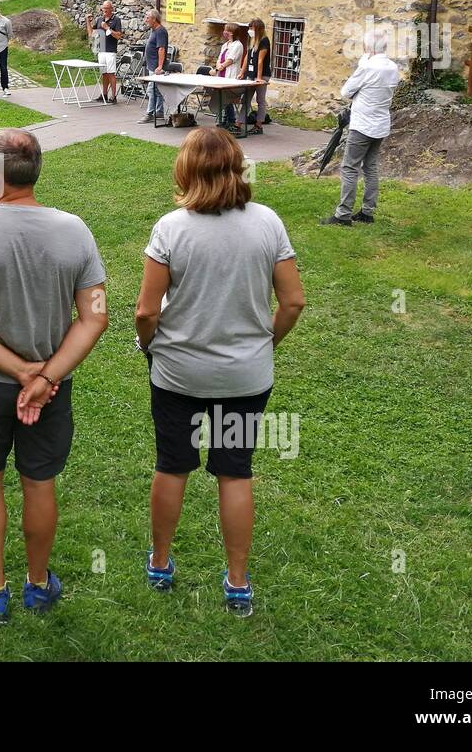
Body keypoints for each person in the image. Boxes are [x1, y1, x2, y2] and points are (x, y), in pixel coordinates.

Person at [134, 127, 305, 617]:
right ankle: (236, 581)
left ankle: (161, 564)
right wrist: (264, 343)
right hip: (246, 377)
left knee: (172, 464)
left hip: (178, 374)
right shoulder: (268, 223)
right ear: (237, 166)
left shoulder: (171, 228)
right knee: (235, 472)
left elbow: (146, 312)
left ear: (186, 169)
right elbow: (293, 301)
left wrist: (151, 349)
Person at [0, 129, 108, 622]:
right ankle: (38, 584)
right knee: (39, 483)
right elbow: (95, 315)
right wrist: (43, 378)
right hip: (49, 391)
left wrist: (17, 371)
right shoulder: (76, 231)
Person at [322, 28, 401, 227]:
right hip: (381, 123)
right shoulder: (392, 67)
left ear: (368, 47)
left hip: (363, 124)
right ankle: (367, 211)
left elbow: (346, 91)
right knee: (371, 167)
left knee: (350, 167)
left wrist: (364, 63)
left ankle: (343, 214)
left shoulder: (367, 68)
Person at [85, 0, 123, 104]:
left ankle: (113, 96)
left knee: (111, 73)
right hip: (101, 50)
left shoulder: (116, 20)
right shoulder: (99, 19)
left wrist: (107, 28)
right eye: (103, 8)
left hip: (110, 50)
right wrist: (88, 21)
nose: (104, 10)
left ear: (112, 9)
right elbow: (91, 34)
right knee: (104, 73)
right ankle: (104, 94)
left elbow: (119, 36)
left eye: (107, 8)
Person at [240, 19, 272, 133]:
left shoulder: (264, 41)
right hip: (250, 74)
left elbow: (260, 60)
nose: (250, 30)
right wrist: (242, 72)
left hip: (262, 74)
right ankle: (238, 123)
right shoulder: (251, 39)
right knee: (246, 99)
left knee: (260, 100)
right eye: (249, 28)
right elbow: (247, 57)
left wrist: (259, 77)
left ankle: (259, 124)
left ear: (258, 29)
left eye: (252, 28)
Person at [139, 9, 170, 124]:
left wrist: (160, 66)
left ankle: (150, 113)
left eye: (147, 18)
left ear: (154, 19)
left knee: (152, 90)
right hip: (152, 66)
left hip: (156, 67)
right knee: (156, 90)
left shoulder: (160, 31)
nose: (145, 20)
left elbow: (161, 49)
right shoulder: (154, 30)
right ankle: (159, 112)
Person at [214, 23, 246, 130]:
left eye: (226, 30)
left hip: (230, 75)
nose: (224, 32)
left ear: (231, 33)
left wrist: (221, 66)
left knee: (227, 97)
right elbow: (219, 58)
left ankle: (230, 119)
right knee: (222, 97)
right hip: (221, 75)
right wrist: (218, 66)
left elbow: (231, 59)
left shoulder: (238, 45)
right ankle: (226, 118)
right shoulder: (225, 45)